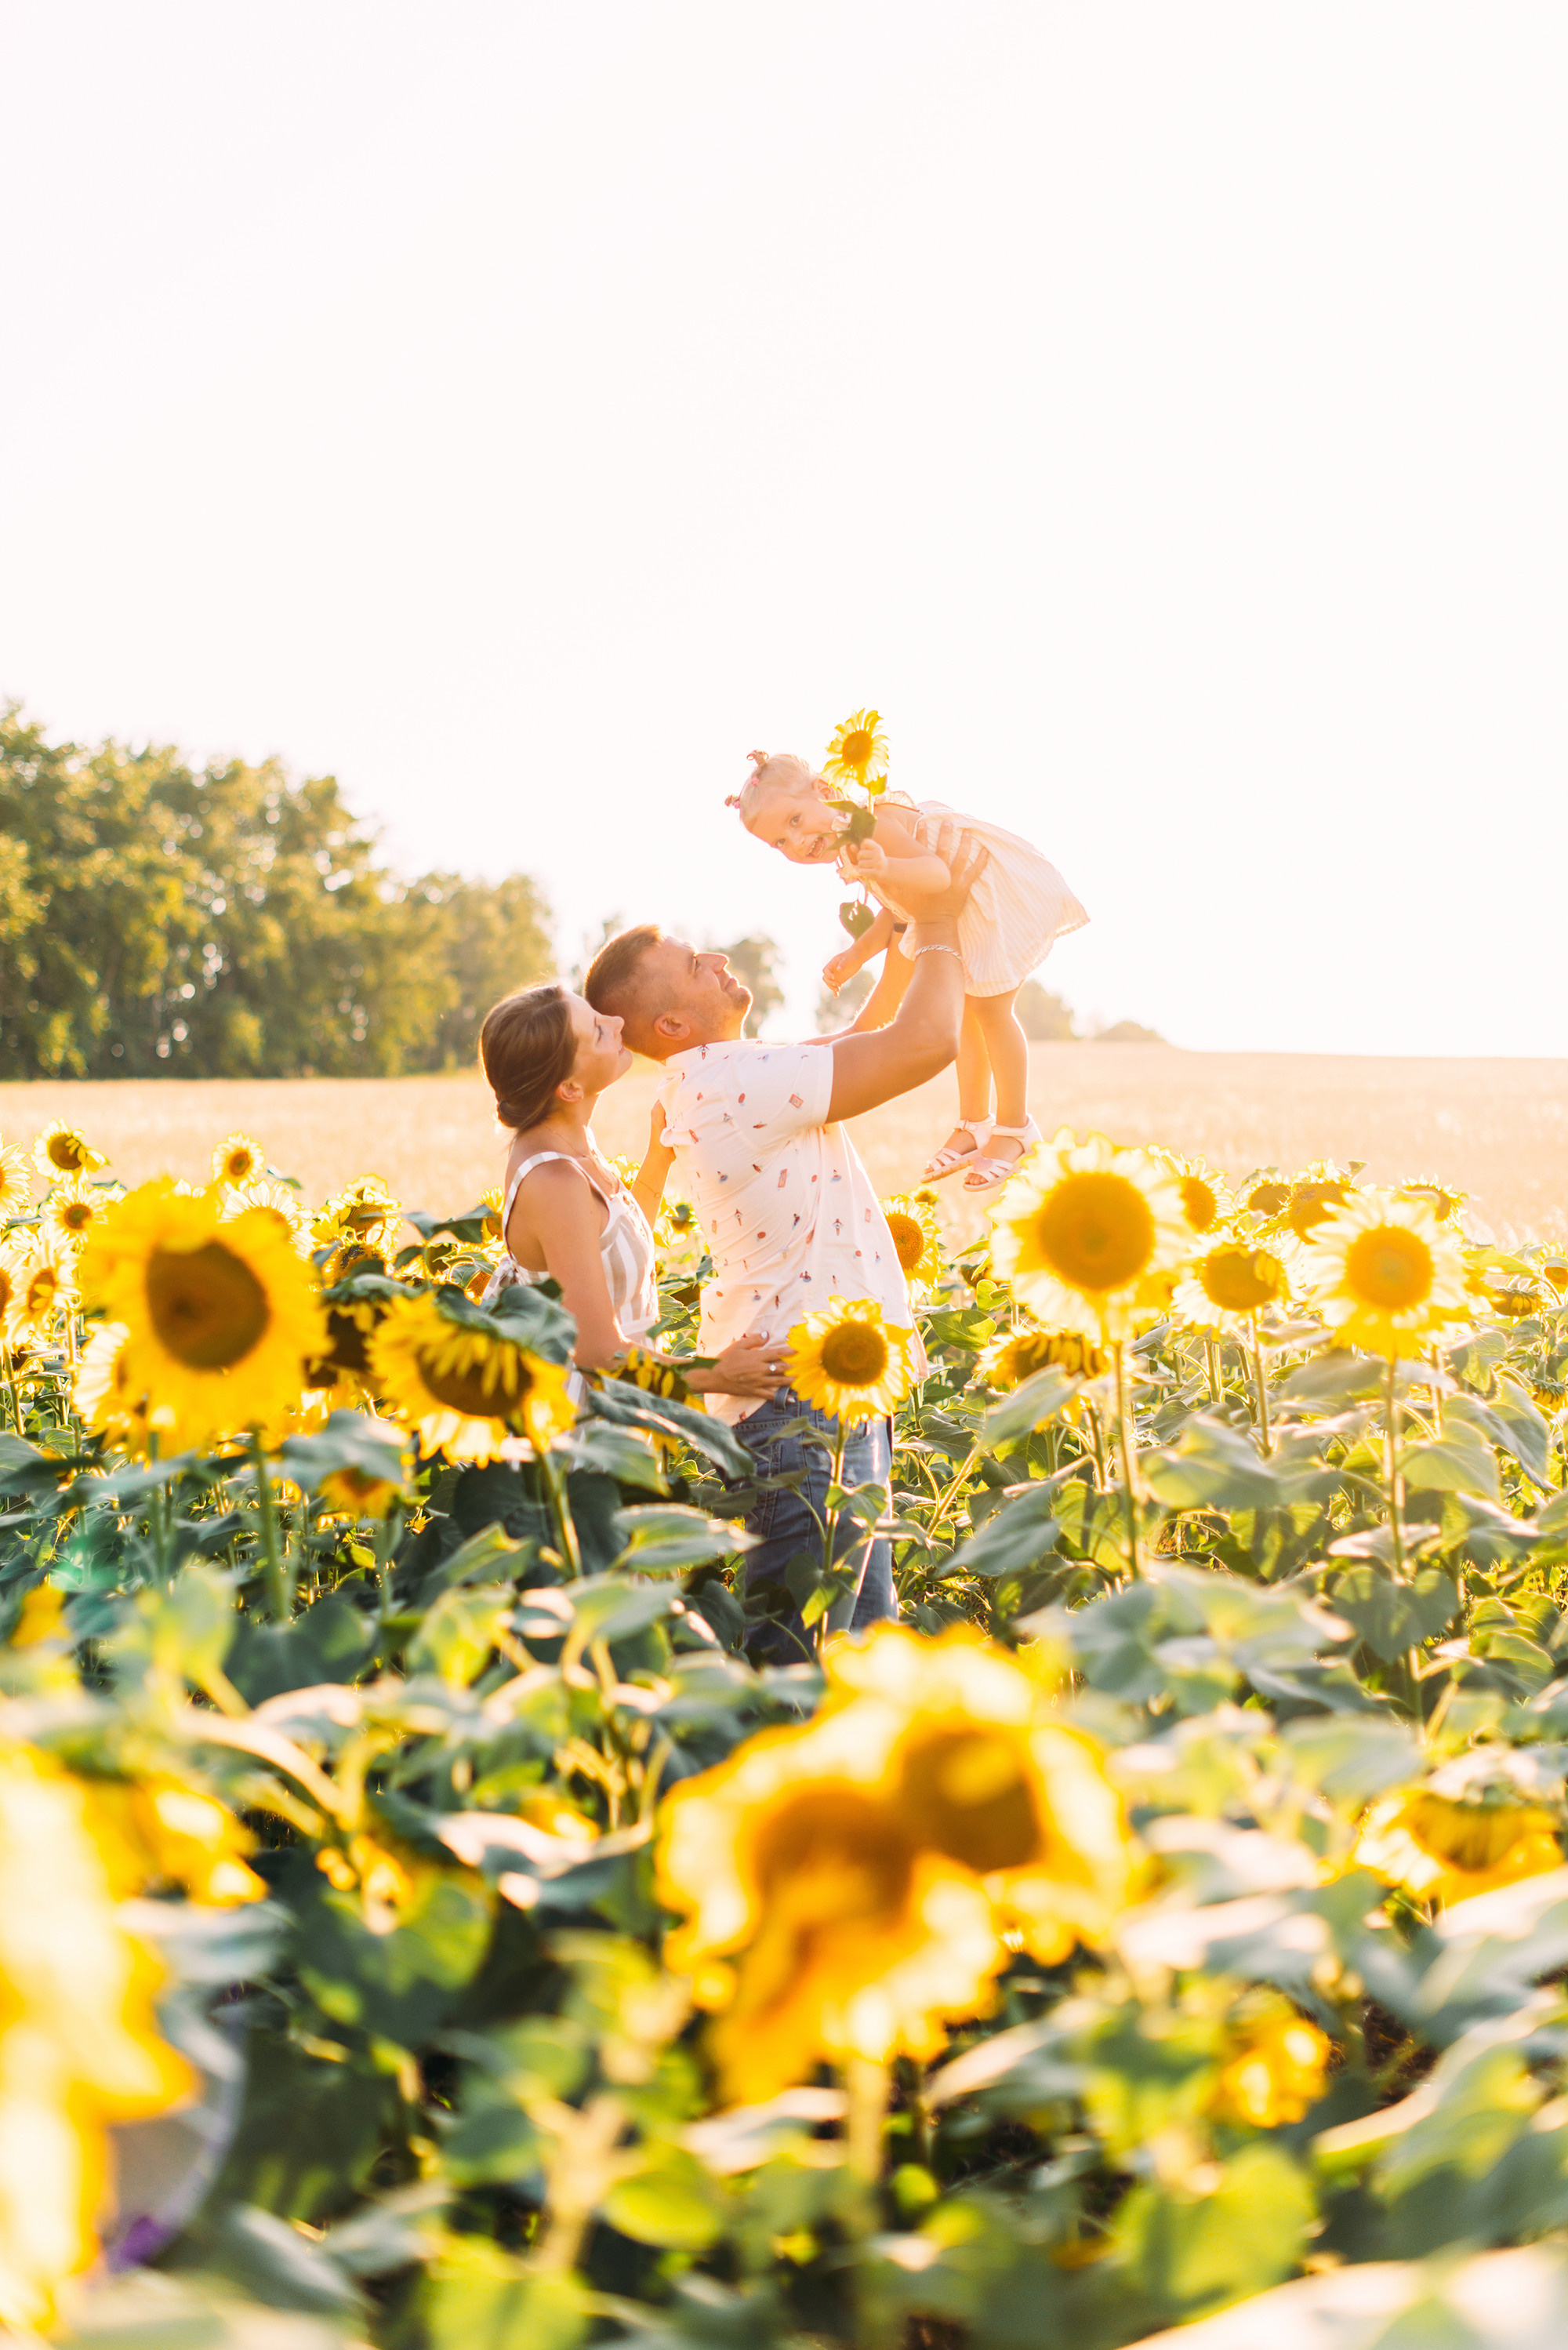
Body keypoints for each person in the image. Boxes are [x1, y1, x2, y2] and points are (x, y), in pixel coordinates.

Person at [584, 833, 985, 1662]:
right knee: (796, 1664)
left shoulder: (720, 1074)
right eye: (697, 965)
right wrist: (941, 923)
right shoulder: (730, 1080)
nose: (720, 957)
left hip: (820, 1390)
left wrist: (902, 925)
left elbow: (863, 1037)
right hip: (800, 1399)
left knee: (854, 1658)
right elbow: (921, 1046)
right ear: (672, 1023)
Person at [728, 747, 1087, 1193]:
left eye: (796, 820)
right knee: (968, 1014)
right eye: (780, 842)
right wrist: (859, 953)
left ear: (824, 791)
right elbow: (897, 910)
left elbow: (936, 875)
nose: (796, 842)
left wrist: (885, 865)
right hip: (959, 906)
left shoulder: (871, 824)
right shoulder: (853, 841)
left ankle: (1016, 1129)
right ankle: (975, 1122)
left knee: (993, 1013)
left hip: (986, 893)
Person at [477, 983, 791, 1406]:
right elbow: (599, 1354)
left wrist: (658, 1159)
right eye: (598, 1031)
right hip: (581, 1442)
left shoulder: (567, 1142)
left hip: (613, 1421)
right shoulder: (555, 1180)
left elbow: (609, 1250)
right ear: (569, 1088)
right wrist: (719, 1373)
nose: (618, 1022)